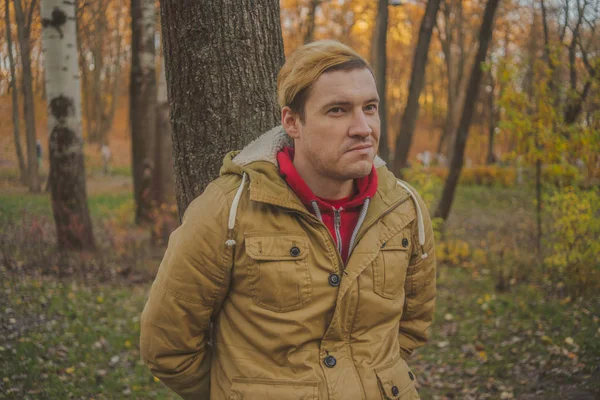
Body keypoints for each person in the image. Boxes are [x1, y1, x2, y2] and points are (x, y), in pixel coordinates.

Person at [140, 40, 436, 400]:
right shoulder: (228, 208)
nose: (363, 128)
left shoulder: (404, 208)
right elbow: (167, 345)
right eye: (338, 110)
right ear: (292, 122)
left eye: (370, 108)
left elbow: (413, 327)